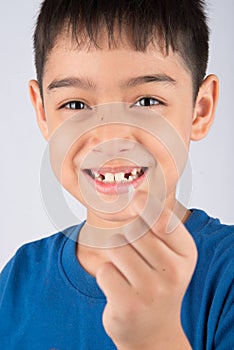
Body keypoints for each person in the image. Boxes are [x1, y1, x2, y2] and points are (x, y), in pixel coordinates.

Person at [0, 0, 233, 349]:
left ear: (200, 109)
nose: (110, 138)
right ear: (43, 112)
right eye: (76, 105)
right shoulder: (17, 279)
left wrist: (156, 338)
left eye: (147, 102)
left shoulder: (225, 276)